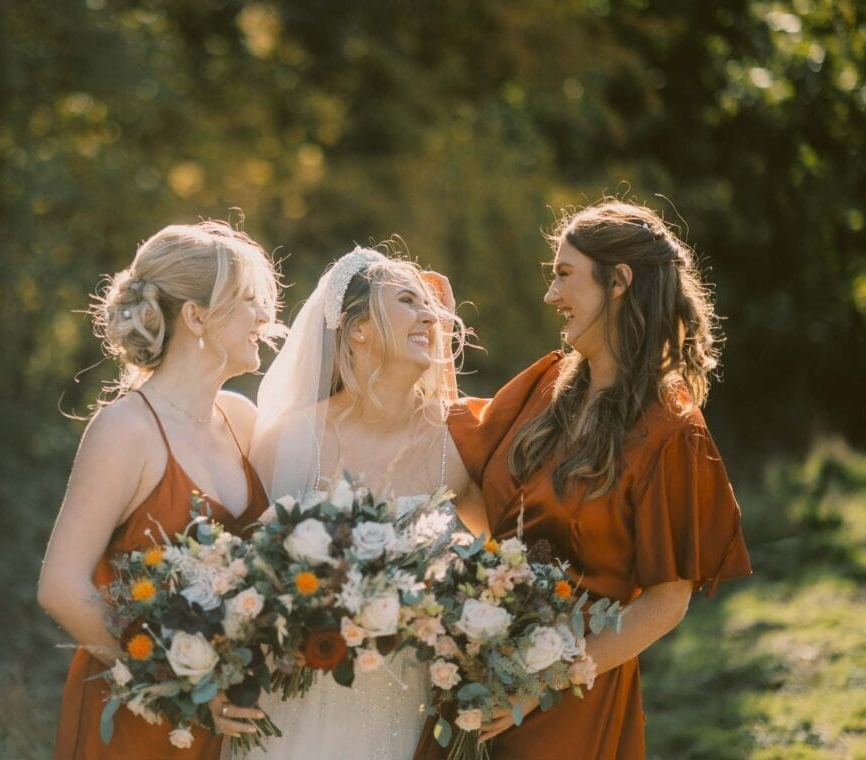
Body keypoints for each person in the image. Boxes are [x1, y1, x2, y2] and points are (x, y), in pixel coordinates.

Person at [415, 200, 752, 759]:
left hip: (572, 697)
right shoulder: (547, 385)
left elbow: (667, 601)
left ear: (618, 281)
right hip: (478, 673)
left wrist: (542, 683)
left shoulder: (669, 428)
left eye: (564, 275)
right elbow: (476, 501)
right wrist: (438, 346)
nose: (551, 296)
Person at [37, 221, 283, 759]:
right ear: (195, 317)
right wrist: (180, 688)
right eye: (247, 301)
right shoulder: (125, 430)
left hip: (228, 724)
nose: (264, 318)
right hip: (137, 722)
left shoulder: (241, 419)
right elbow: (60, 585)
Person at [240, 246, 487, 760]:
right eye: (407, 301)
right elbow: (247, 584)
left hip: (412, 706)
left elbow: (492, 571)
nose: (430, 316)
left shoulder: (458, 444)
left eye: (432, 307)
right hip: (299, 711)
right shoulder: (291, 440)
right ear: (357, 329)